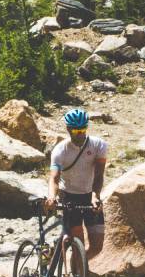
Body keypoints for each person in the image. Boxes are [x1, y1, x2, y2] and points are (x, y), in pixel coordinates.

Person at [45, 108, 107, 262]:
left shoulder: (98, 145)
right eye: (76, 130)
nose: (80, 133)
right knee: (78, 240)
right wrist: (52, 197)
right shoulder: (60, 150)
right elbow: (54, 178)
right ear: (68, 129)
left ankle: (77, 266)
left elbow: (99, 174)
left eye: (83, 129)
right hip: (69, 197)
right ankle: (78, 276)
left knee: (97, 246)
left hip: (90, 195)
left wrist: (95, 195)